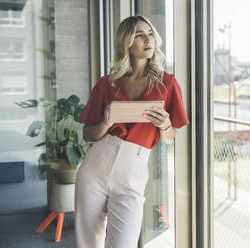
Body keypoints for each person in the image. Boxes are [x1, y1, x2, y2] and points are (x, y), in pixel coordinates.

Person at [75, 15, 189, 248]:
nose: (148, 40)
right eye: (139, 35)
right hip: (96, 165)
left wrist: (165, 125)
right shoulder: (107, 83)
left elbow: (169, 137)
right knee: (88, 242)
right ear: (126, 41)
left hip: (133, 170)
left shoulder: (167, 84)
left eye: (150, 34)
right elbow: (88, 134)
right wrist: (106, 123)